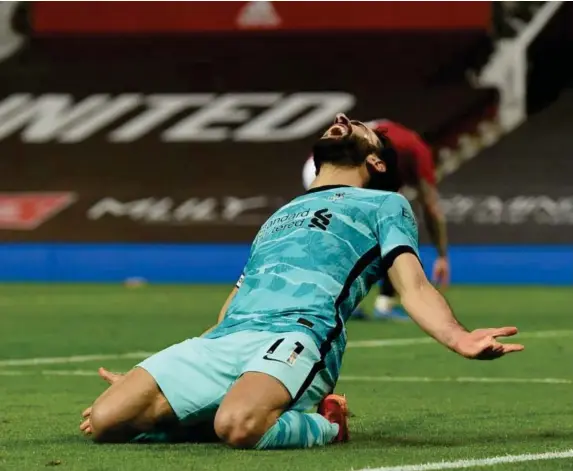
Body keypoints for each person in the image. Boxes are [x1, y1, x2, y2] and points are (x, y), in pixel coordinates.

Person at [80, 113, 524, 449]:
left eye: (359, 128)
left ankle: (328, 423)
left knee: (238, 427)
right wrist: (182, 371)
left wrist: (458, 338)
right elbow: (241, 291)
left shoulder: (384, 205)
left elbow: (413, 287)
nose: (342, 120)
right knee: (106, 421)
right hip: (228, 338)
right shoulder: (281, 212)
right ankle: (206, 404)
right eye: (340, 120)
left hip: (299, 335)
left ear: (375, 160)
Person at [303, 119, 449, 320]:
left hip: (317, 166)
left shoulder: (391, 133)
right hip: (339, 168)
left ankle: (338, 299)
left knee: (346, 234)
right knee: (395, 224)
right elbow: (431, 207)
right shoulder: (419, 149)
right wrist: (442, 255)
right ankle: (384, 304)